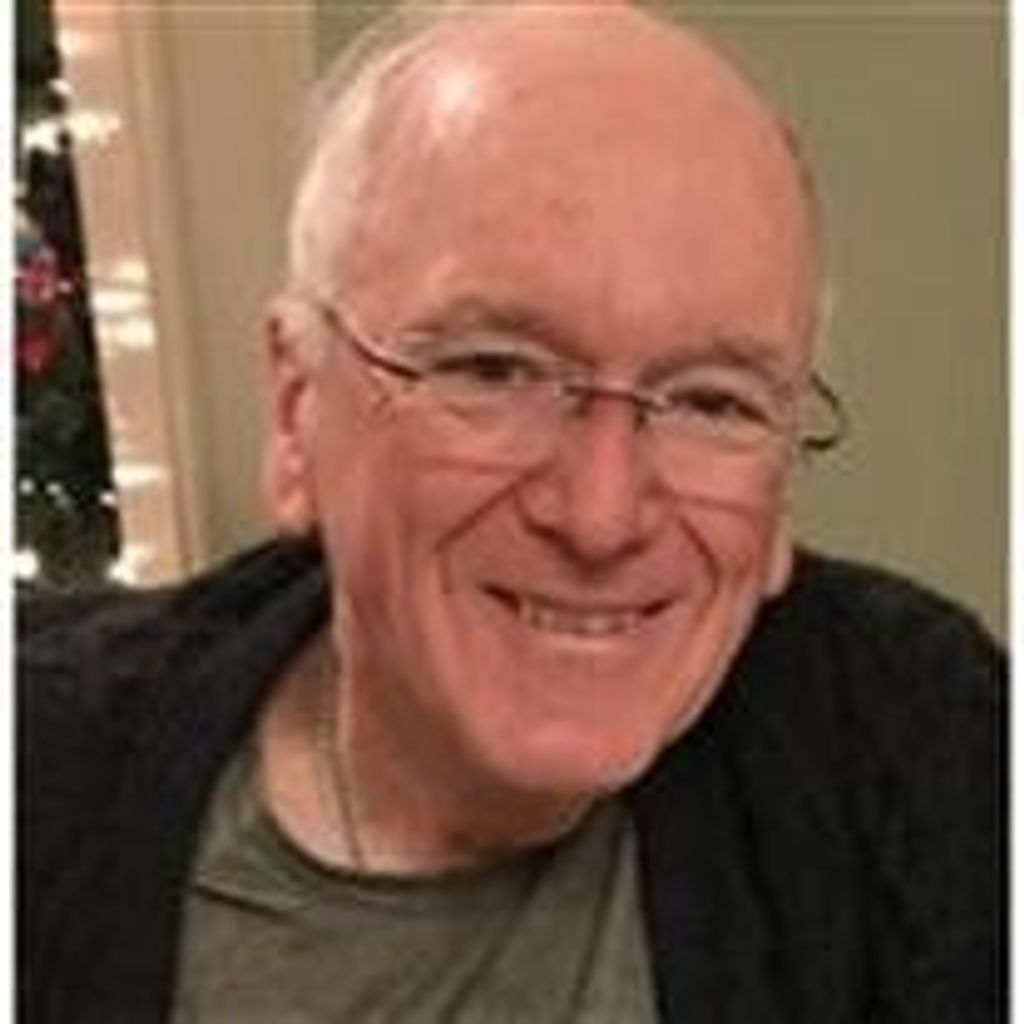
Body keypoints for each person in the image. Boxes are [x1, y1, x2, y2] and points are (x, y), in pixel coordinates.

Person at [19, 3, 1004, 1022]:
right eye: (495, 370)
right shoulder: (37, 773)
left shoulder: (927, 746)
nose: (601, 517)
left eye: (712, 402)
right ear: (297, 406)